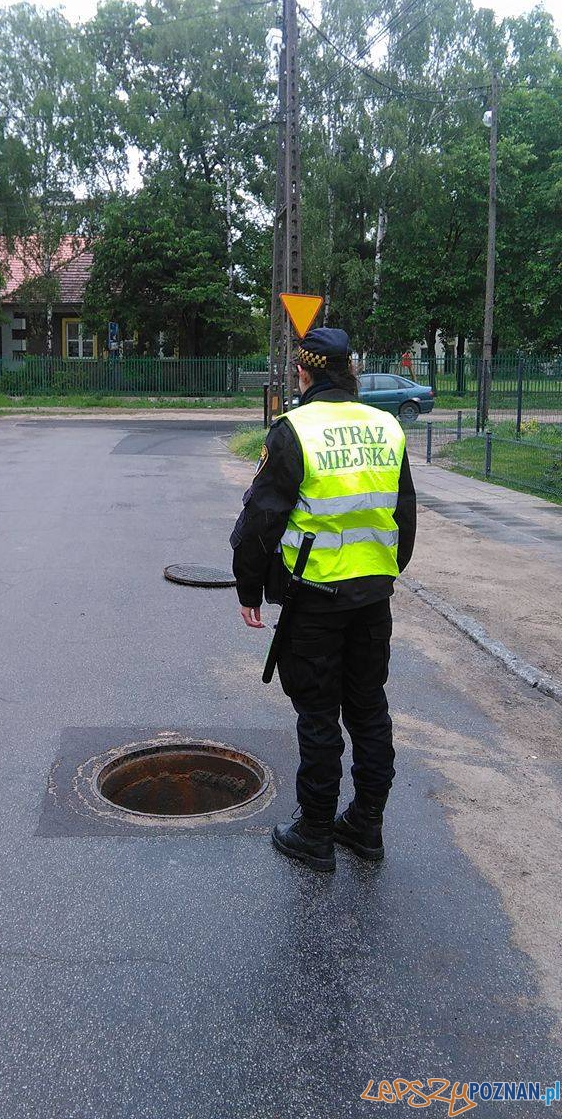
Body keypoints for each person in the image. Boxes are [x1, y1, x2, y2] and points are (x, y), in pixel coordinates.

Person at [230, 327, 416, 872]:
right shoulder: (387, 426)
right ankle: (366, 826)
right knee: (368, 709)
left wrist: (248, 588)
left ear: (303, 373)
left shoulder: (294, 430)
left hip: (314, 599)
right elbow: (403, 516)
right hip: (372, 596)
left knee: (317, 715)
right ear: (349, 372)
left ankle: (315, 833)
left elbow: (261, 521)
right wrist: (381, 571)